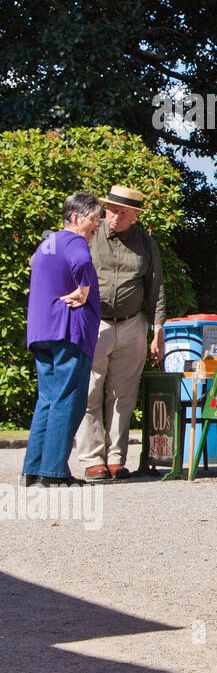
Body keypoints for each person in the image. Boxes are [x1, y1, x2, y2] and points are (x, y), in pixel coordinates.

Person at [73, 185, 167, 480]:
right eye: (111, 209)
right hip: (93, 322)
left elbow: (157, 287)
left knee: (123, 395)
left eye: (122, 212)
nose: (113, 216)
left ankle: (116, 457)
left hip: (131, 324)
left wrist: (158, 330)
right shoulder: (90, 234)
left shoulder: (145, 242)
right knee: (89, 391)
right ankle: (91, 457)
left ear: (135, 216)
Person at [23, 193, 103, 488]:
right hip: (68, 331)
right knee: (69, 399)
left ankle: (33, 470)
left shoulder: (48, 243)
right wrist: (84, 289)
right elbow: (81, 262)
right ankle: (54, 472)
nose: (97, 225)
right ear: (75, 218)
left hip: (43, 331)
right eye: (93, 219)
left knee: (47, 399)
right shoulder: (73, 242)